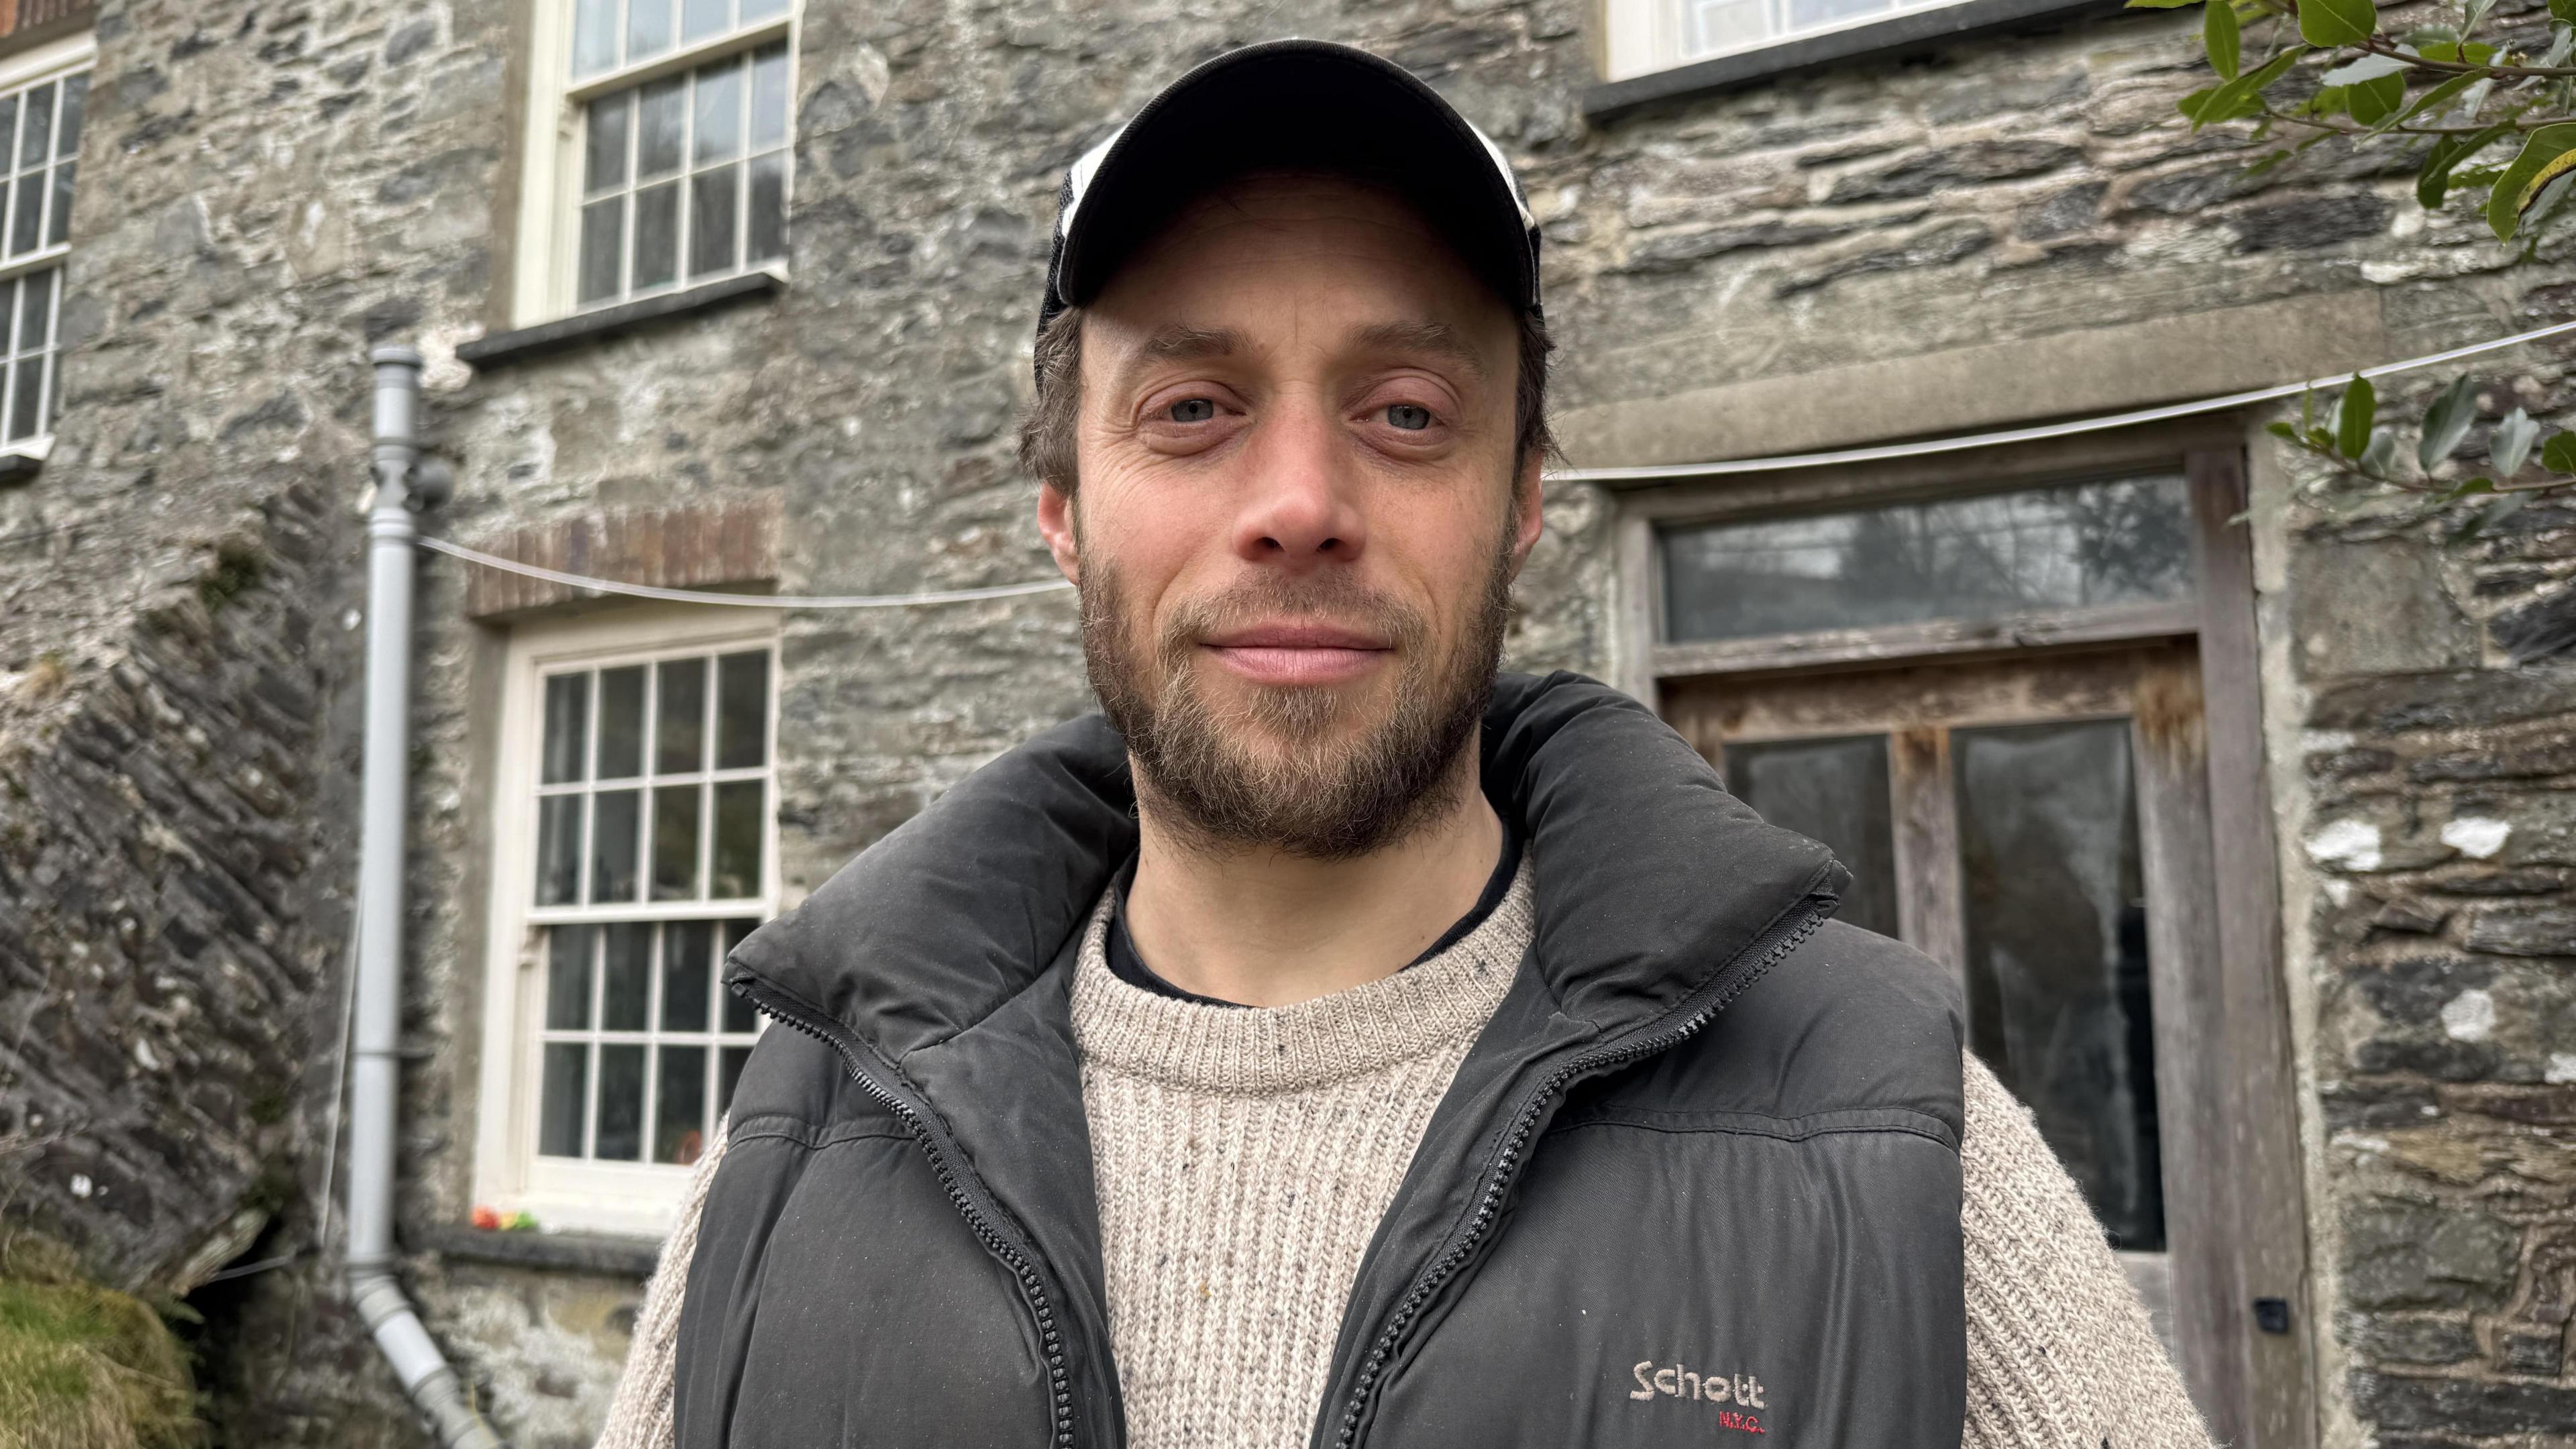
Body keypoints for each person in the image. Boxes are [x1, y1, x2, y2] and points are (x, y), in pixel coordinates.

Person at [596, 40, 2204, 1449]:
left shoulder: (1878, 1125)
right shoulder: (801, 1130)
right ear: (1064, 513)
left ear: (1518, 505)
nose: (1301, 503)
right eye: (1193, 409)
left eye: (1409, 411)